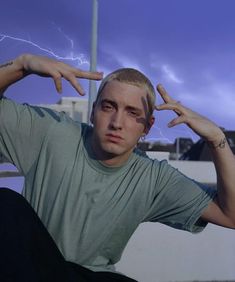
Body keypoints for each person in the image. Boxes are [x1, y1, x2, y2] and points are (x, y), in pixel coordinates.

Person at [0, 54, 234, 282]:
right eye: (109, 107)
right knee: (6, 202)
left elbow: (230, 214)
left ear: (147, 127)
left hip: (91, 276)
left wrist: (216, 138)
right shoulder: (52, 132)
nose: (117, 123)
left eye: (132, 113)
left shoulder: (154, 178)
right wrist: (21, 65)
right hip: (30, 267)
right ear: (93, 111)